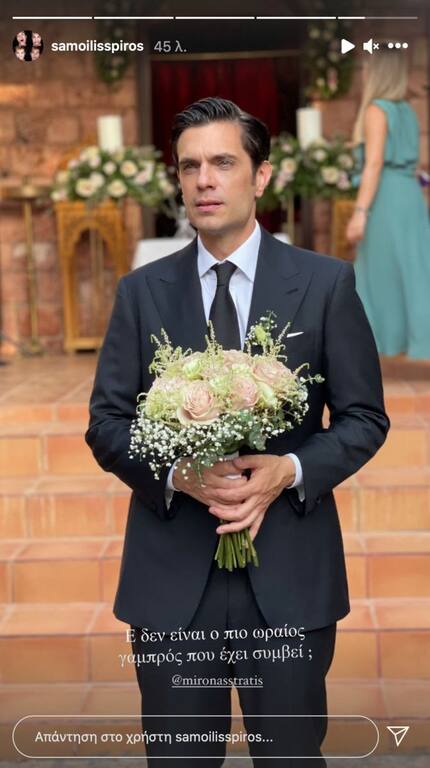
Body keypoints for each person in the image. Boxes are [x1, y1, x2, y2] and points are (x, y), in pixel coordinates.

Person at [85, 97, 389, 766]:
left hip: (290, 574)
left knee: (290, 756)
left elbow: (365, 418)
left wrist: (290, 470)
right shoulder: (140, 292)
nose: (204, 180)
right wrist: (176, 474)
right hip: (171, 580)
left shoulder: (326, 285)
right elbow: (106, 424)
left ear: (262, 176)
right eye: (189, 166)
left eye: (223, 162)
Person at [346, 48, 430, 359]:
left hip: (387, 197)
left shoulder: (376, 110)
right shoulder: (407, 109)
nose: (365, 72)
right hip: (409, 194)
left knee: (380, 273)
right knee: (414, 268)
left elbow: (375, 163)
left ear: (378, 72)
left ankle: (383, 343)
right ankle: (416, 341)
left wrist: (360, 213)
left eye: (368, 67)